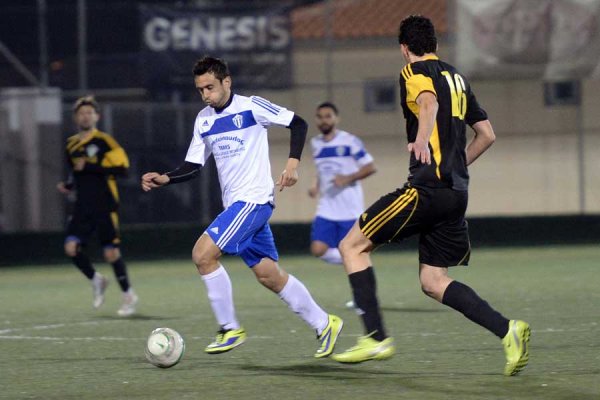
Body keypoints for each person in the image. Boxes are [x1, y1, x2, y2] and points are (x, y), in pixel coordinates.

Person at [331, 15, 530, 376]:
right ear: (435, 44)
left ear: (404, 48)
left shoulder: (412, 71)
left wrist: (422, 139)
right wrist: (456, 164)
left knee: (351, 246)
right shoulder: (457, 77)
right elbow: (487, 134)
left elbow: (427, 102)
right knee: (433, 282)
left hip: (427, 189)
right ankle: (507, 330)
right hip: (456, 192)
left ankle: (375, 337)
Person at [141, 56, 343, 358]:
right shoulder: (204, 120)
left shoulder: (252, 106)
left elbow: (298, 124)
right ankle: (325, 323)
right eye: (200, 89)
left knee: (202, 255)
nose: (205, 94)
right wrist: (165, 178)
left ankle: (229, 328)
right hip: (236, 206)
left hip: (254, 201)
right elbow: (193, 165)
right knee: (269, 275)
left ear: (227, 82)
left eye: (210, 87)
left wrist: (292, 164)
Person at [57, 96, 138, 317]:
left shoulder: (105, 141)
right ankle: (97, 280)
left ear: (97, 117)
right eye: (81, 113)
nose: (85, 116)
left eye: (89, 113)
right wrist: (69, 185)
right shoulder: (70, 144)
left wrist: (91, 165)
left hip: (104, 203)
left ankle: (128, 295)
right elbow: (75, 172)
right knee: (71, 248)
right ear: (76, 118)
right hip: (82, 206)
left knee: (111, 253)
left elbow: (123, 169)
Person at [308, 102, 376, 308]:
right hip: (327, 207)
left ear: (336, 119)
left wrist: (347, 178)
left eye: (328, 116)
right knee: (318, 248)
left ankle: (362, 296)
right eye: (320, 117)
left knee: (351, 253)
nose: (324, 120)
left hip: (350, 209)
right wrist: (316, 186)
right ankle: (359, 261)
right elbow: (321, 170)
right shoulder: (315, 144)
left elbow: (370, 167)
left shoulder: (350, 141)